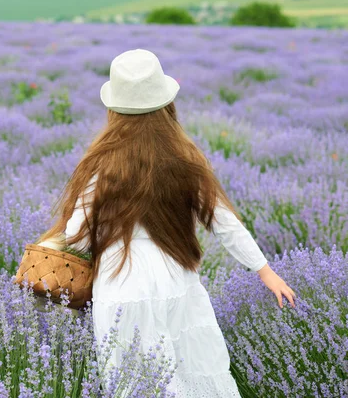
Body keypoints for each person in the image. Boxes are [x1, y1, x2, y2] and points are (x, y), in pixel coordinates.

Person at [38, 49, 296, 397]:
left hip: (121, 286)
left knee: (135, 385)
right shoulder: (185, 159)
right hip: (176, 282)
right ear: (166, 104)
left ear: (114, 110)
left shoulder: (101, 165)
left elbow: (77, 238)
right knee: (194, 376)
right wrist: (265, 271)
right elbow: (225, 223)